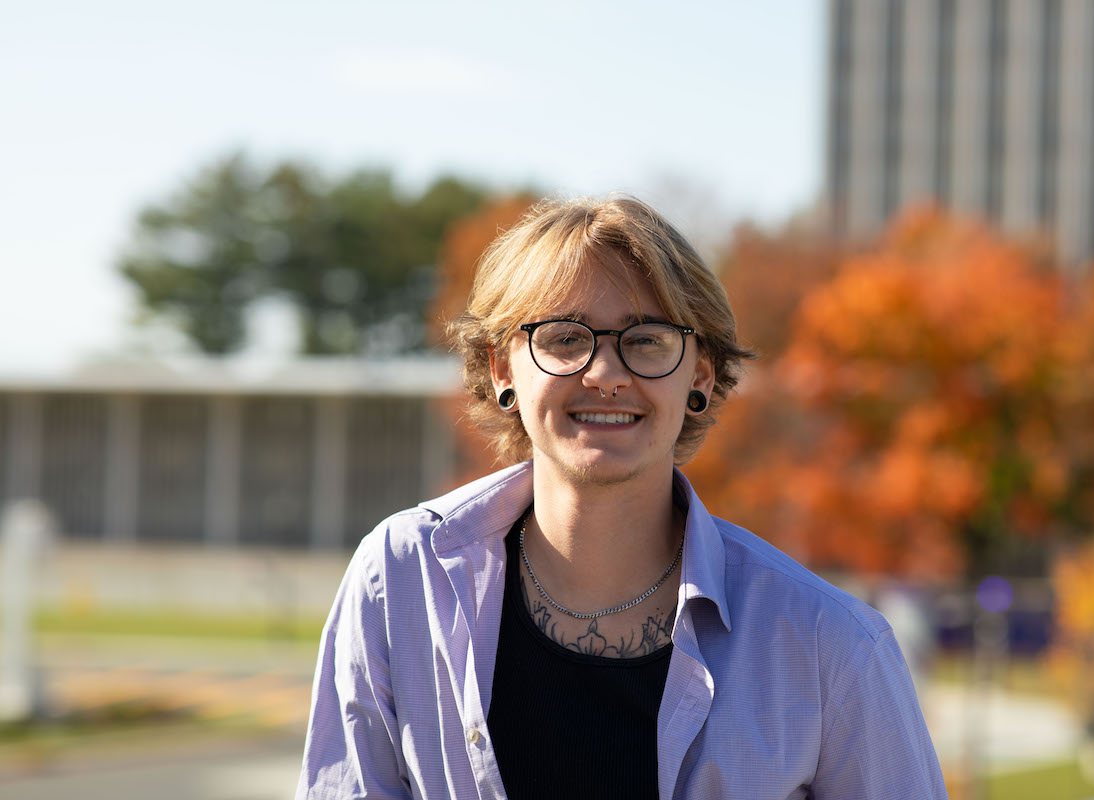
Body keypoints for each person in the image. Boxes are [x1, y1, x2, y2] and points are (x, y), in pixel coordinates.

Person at [296, 195, 948, 799]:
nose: (606, 374)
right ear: (502, 369)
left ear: (700, 373)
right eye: (563, 338)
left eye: (646, 341)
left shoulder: (830, 647)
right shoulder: (403, 582)